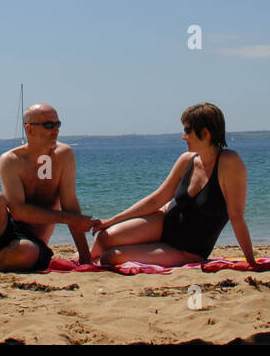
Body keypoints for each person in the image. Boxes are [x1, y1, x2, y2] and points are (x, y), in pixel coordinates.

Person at [91, 102, 256, 267]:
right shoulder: (187, 159)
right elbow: (157, 199)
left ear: (205, 133)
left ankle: (95, 259)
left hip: (186, 250)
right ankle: (84, 261)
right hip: (163, 224)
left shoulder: (229, 163)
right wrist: (111, 220)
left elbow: (236, 216)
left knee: (110, 257)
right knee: (104, 237)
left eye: (187, 130)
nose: (183, 136)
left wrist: (251, 261)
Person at [0, 103, 100, 272]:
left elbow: (70, 204)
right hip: (4, 233)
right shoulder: (11, 160)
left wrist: (85, 257)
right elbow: (19, 211)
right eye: (49, 125)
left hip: (33, 246)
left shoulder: (63, 155)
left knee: (25, 251)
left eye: (58, 124)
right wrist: (68, 218)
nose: (55, 130)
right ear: (30, 129)